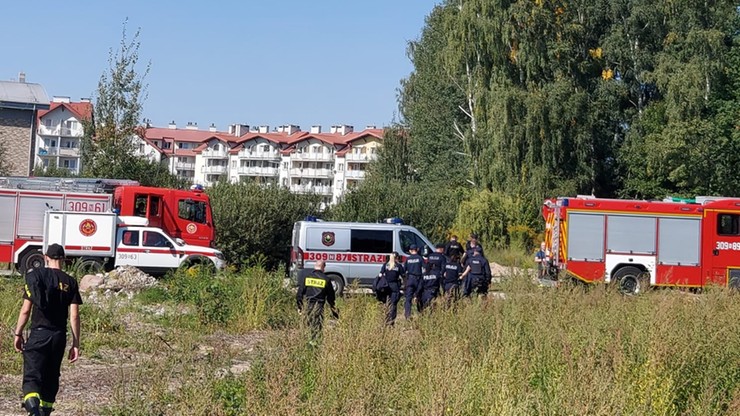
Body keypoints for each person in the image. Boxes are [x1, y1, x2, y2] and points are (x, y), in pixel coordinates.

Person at [13, 244, 82, 416]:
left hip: (39, 333)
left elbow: (25, 310)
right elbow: (74, 316)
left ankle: (34, 411)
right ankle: (44, 412)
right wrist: (75, 343)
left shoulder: (37, 277)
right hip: (58, 336)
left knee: (32, 377)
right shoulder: (70, 282)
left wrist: (18, 333)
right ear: (64, 260)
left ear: (46, 257)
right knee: (51, 378)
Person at [296, 260, 339, 341]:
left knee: (307, 326)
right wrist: (333, 310)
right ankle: (315, 343)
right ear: (323, 268)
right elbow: (331, 297)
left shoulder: (307, 277)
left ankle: (308, 343)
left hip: (308, 305)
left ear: (315, 266)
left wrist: (300, 307)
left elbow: (299, 294)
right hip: (319, 306)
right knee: (317, 327)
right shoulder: (326, 279)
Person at [374, 252, 405, 325]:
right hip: (394, 286)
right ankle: (391, 321)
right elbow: (403, 276)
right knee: (393, 304)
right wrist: (405, 286)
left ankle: (385, 319)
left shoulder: (385, 265)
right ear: (397, 258)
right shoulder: (398, 266)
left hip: (386, 286)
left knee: (386, 303)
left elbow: (380, 274)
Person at [419, 245, 446, 311]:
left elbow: (427, 265)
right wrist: (441, 275)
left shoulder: (430, 255)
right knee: (437, 291)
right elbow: (443, 268)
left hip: (428, 275)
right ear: (441, 249)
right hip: (437, 276)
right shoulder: (442, 257)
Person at [403, 244, 424, 319]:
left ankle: (407, 315)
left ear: (410, 251)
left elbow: (404, 271)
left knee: (408, 298)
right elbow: (424, 269)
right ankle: (421, 314)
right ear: (417, 250)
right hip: (418, 279)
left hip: (410, 279)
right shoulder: (420, 258)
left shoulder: (408, 259)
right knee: (419, 296)